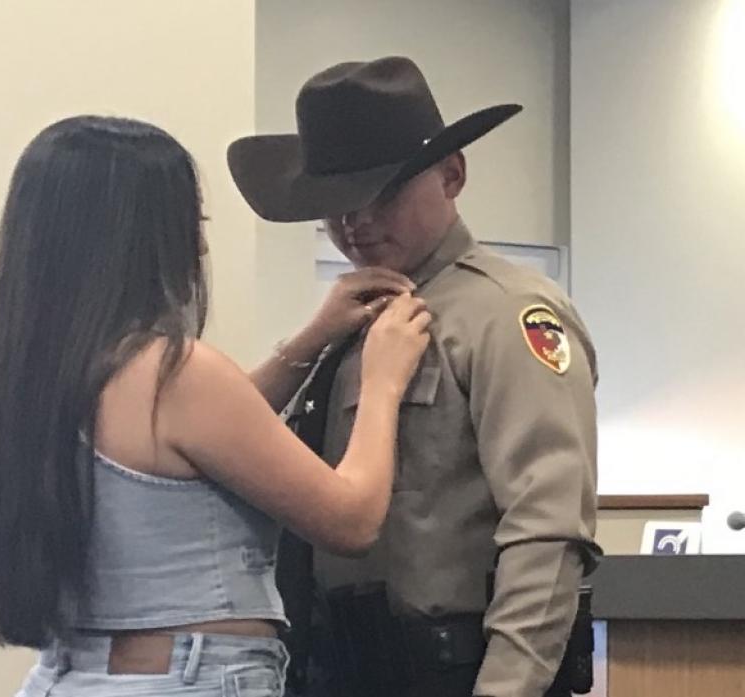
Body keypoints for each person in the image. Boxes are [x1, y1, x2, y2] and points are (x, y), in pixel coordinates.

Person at [0, 114, 432, 697]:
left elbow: (202, 444)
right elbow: (351, 518)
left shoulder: (52, 373)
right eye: (193, 222)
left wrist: (309, 341)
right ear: (146, 237)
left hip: (67, 677)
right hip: (190, 678)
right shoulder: (177, 374)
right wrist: (383, 381)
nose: (201, 243)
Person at [226, 57, 600, 697]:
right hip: (339, 665)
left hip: (453, 669)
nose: (355, 222)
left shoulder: (504, 314)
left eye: (383, 193)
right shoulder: (348, 325)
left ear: (452, 175)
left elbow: (547, 529)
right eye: (336, 204)